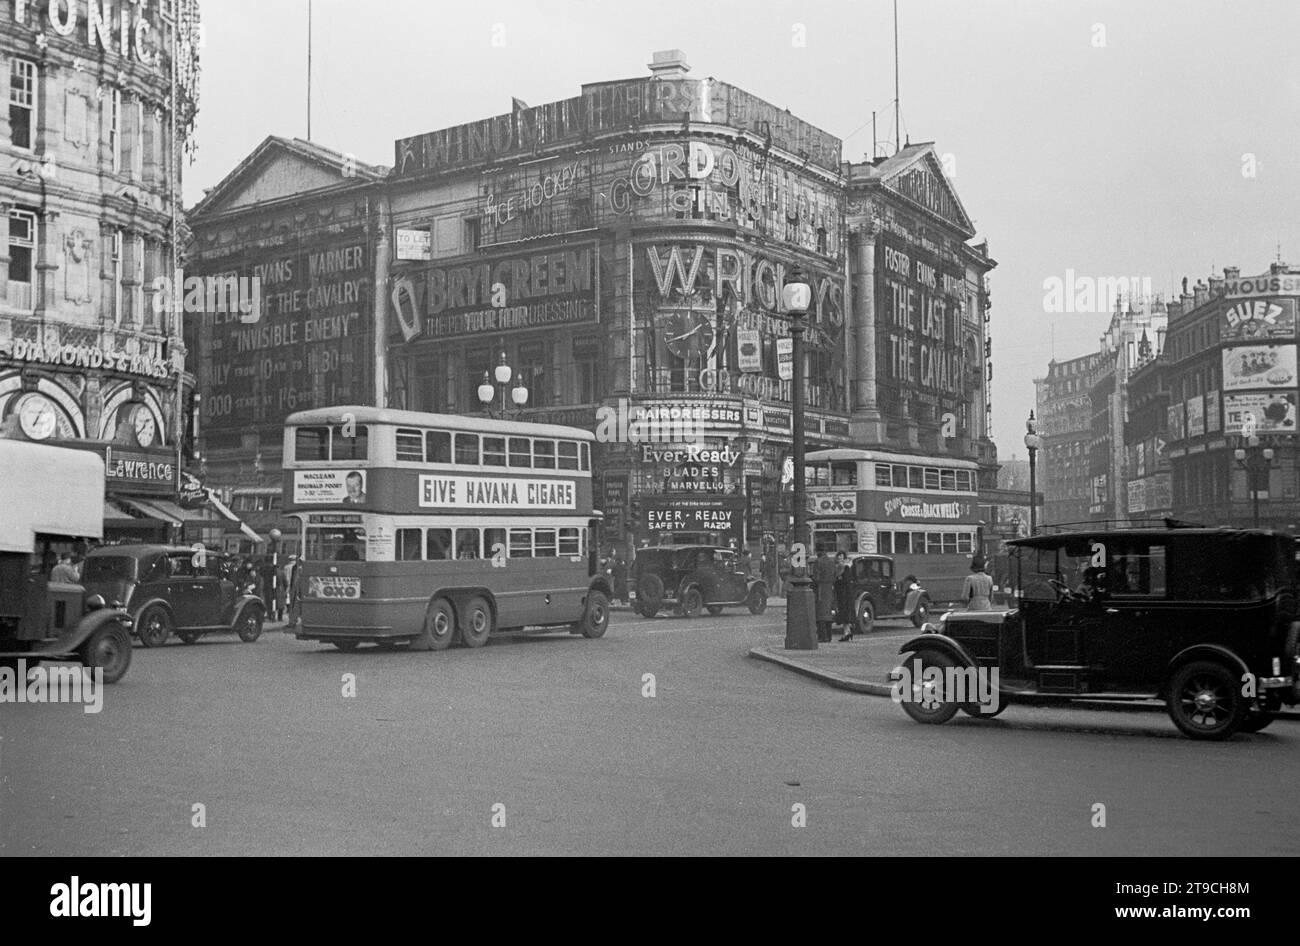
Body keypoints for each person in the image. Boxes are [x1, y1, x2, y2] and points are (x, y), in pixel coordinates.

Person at [812, 549, 839, 643]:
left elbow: (816, 577)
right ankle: (829, 635)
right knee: (828, 614)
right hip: (829, 589)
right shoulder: (831, 562)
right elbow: (835, 575)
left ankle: (822, 636)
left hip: (820, 590)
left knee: (820, 615)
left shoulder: (818, 562)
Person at [835, 551, 856, 641]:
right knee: (845, 613)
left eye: (841, 556)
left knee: (845, 612)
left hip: (844, 593)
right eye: (839, 556)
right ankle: (847, 632)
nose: (839, 558)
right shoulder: (846, 566)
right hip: (846, 592)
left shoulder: (844, 567)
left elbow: (842, 579)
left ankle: (847, 632)